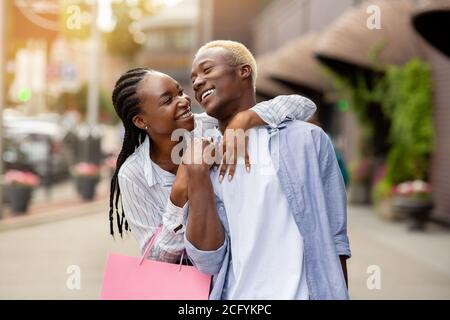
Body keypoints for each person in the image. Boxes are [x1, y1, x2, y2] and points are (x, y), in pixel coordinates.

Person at [185, 40, 351, 300]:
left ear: (243, 71)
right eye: (194, 78)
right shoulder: (203, 156)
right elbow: (208, 260)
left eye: (206, 70)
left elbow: (336, 238)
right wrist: (196, 175)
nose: (196, 82)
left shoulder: (308, 140)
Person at [109, 67, 316, 263]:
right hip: (191, 287)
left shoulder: (210, 125)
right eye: (168, 100)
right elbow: (154, 257)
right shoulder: (133, 173)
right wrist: (179, 194)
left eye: (180, 92)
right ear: (141, 120)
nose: (184, 101)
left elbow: (304, 106)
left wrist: (244, 119)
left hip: (242, 269)